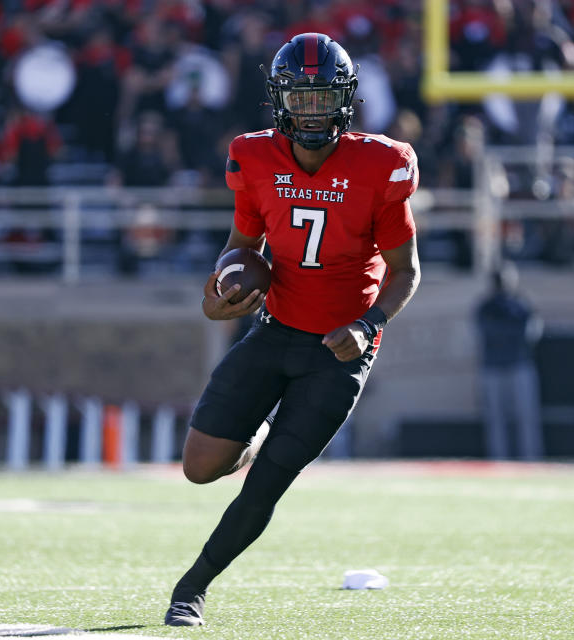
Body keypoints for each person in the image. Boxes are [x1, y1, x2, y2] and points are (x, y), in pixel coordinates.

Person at [163, 32, 420, 627]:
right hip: (275, 328)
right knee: (200, 466)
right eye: (299, 98)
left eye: (322, 97)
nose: (311, 110)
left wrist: (368, 323)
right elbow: (241, 247)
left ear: (346, 100)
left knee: (269, 482)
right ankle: (249, 439)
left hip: (339, 347)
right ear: (279, 100)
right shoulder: (253, 157)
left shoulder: (381, 163)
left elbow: (406, 272)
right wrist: (220, 293)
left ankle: (191, 589)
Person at [474, 262, 543, 460]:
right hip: (493, 368)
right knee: (496, 420)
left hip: (519, 366)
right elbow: (485, 332)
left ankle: (531, 461)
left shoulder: (521, 306)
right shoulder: (485, 308)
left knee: (526, 418)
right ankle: (499, 462)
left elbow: (531, 334)